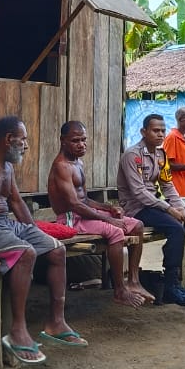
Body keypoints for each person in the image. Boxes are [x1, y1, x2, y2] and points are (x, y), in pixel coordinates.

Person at [0, 115, 82, 365]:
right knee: (27, 253)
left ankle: (56, 322)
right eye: (23, 139)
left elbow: (15, 201)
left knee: (57, 250)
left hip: (4, 225)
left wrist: (35, 231)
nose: (26, 145)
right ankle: (18, 331)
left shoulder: (8, 166)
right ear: (8, 139)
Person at [48, 120, 156, 308]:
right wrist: (108, 219)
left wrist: (108, 208)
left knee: (137, 226)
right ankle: (119, 290)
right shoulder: (61, 166)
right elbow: (73, 204)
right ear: (62, 140)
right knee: (116, 232)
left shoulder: (78, 162)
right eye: (75, 141)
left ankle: (134, 281)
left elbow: (85, 200)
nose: (82, 144)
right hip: (70, 219)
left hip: (84, 214)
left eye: (84, 139)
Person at [117, 113, 185, 305]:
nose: (160, 134)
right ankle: (171, 285)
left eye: (163, 130)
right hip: (136, 209)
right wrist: (168, 209)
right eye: (155, 130)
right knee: (176, 229)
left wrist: (179, 207)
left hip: (156, 205)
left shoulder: (160, 154)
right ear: (143, 131)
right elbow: (139, 192)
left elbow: (167, 184)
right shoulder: (132, 156)